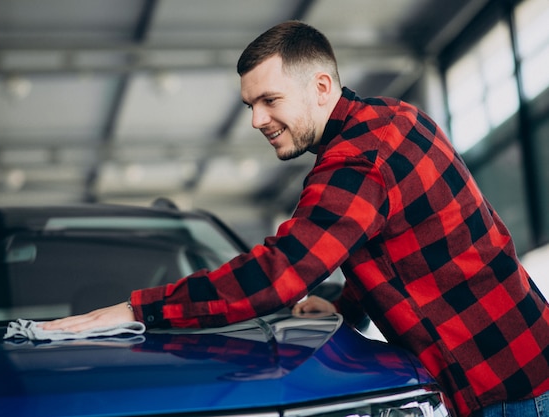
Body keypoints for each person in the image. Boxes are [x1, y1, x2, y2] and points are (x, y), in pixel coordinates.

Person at [43, 21, 549, 417]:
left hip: (504, 388)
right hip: (524, 361)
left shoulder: (355, 163)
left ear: (322, 86)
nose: (256, 120)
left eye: (270, 100)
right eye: (250, 104)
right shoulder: (396, 118)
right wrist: (340, 302)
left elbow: (276, 275)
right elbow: (407, 245)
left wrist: (138, 310)